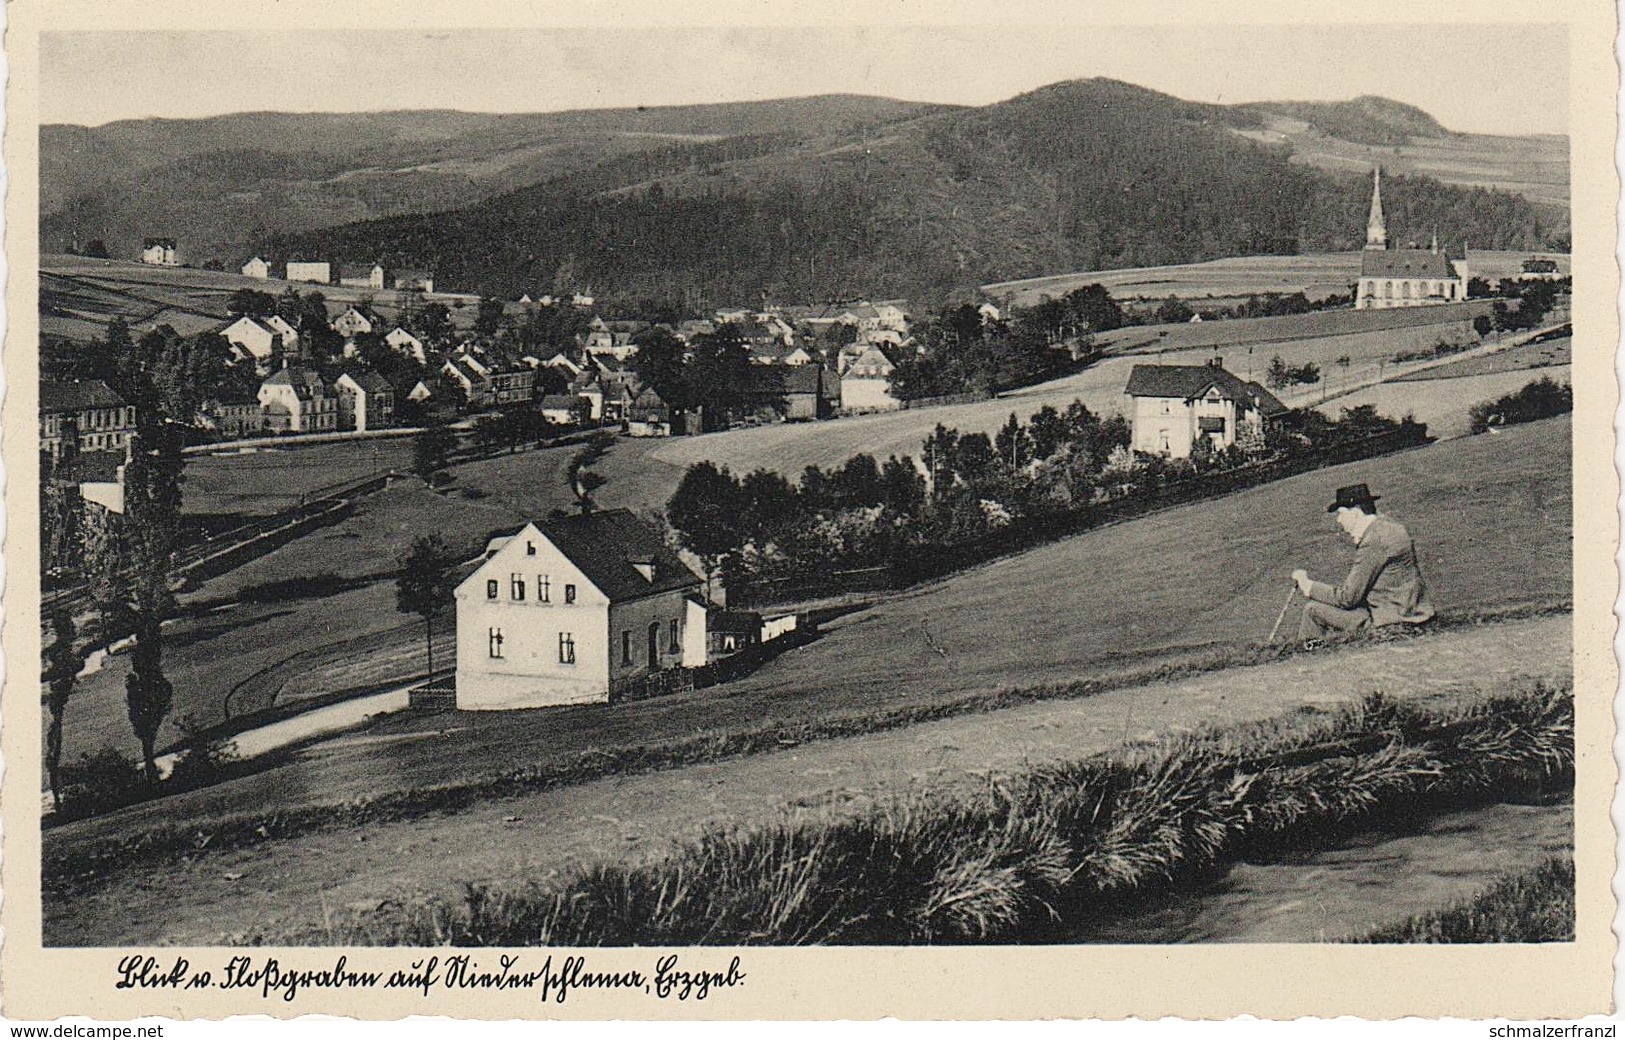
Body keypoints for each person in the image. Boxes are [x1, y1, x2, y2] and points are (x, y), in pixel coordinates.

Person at [1292, 483, 1434, 645]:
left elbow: (1347, 598)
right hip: (1412, 610)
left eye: (1341, 513)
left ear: (1356, 513)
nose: (1339, 520)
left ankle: (1309, 655)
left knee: (1312, 610)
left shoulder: (1373, 541)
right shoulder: (1391, 527)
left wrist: (1307, 585)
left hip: (1390, 619)